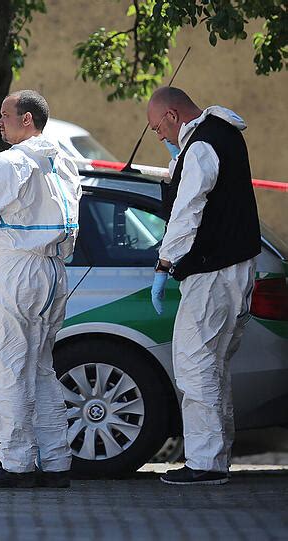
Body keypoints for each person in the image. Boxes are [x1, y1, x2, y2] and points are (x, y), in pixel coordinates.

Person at [0, 90, 82, 488]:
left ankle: (16, 464)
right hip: (52, 270)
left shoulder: (8, 163)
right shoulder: (63, 161)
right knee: (41, 369)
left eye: (5, 115)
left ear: (27, 120)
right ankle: (57, 461)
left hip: (13, 270)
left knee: (6, 368)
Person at [148, 87, 261, 485]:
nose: (160, 137)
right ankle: (215, 456)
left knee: (196, 367)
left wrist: (164, 261)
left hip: (213, 272)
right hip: (237, 268)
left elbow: (187, 210)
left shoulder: (201, 147)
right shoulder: (224, 133)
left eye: (158, 127)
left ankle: (206, 463)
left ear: (174, 115)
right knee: (212, 368)